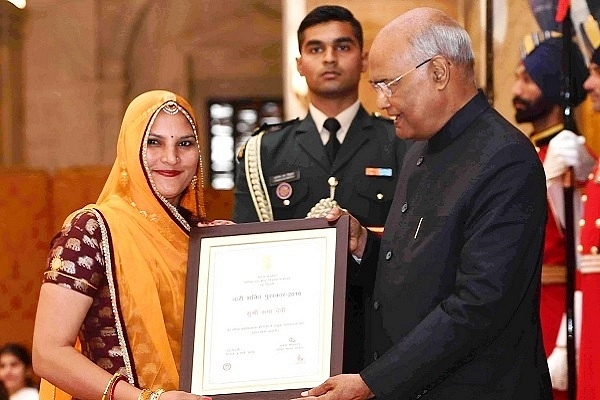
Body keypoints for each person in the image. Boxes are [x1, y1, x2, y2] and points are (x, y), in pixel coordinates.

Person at [294, 7, 552, 400]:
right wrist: (364, 244)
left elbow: (477, 307)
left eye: (388, 85)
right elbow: (419, 265)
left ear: (438, 73)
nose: (382, 102)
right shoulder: (418, 150)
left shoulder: (505, 159)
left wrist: (371, 382)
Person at [232, 5, 409, 373]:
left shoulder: (399, 140)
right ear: (299, 63)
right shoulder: (263, 152)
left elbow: (413, 247)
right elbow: (247, 253)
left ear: (363, 59)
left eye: (342, 47)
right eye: (315, 49)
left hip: (380, 333)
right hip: (290, 337)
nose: (329, 58)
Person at [32, 90, 214, 400]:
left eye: (184, 143)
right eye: (154, 142)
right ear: (130, 148)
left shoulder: (207, 239)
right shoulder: (91, 230)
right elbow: (48, 353)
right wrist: (145, 399)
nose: (171, 157)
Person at [511, 32, 592, 398]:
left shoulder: (569, 154)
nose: (517, 89)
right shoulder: (537, 153)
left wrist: (564, 342)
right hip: (528, 308)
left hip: (559, 308)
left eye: (527, 80)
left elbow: (580, 251)